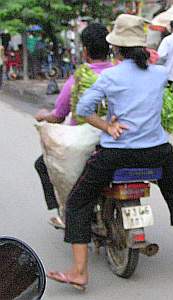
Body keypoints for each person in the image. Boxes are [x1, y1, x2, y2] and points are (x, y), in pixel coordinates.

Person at [47, 14, 173, 290]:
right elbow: (153, 66)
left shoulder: (110, 76)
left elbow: (83, 110)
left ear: (116, 48)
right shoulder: (159, 75)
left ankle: (79, 271)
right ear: (143, 46)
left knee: (78, 201)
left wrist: (107, 126)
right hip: (157, 153)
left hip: (118, 154)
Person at [34, 23, 113, 228]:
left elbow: (58, 116)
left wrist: (43, 115)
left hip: (84, 144)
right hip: (116, 140)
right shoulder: (119, 73)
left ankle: (64, 212)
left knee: (42, 164)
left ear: (85, 51)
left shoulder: (78, 78)